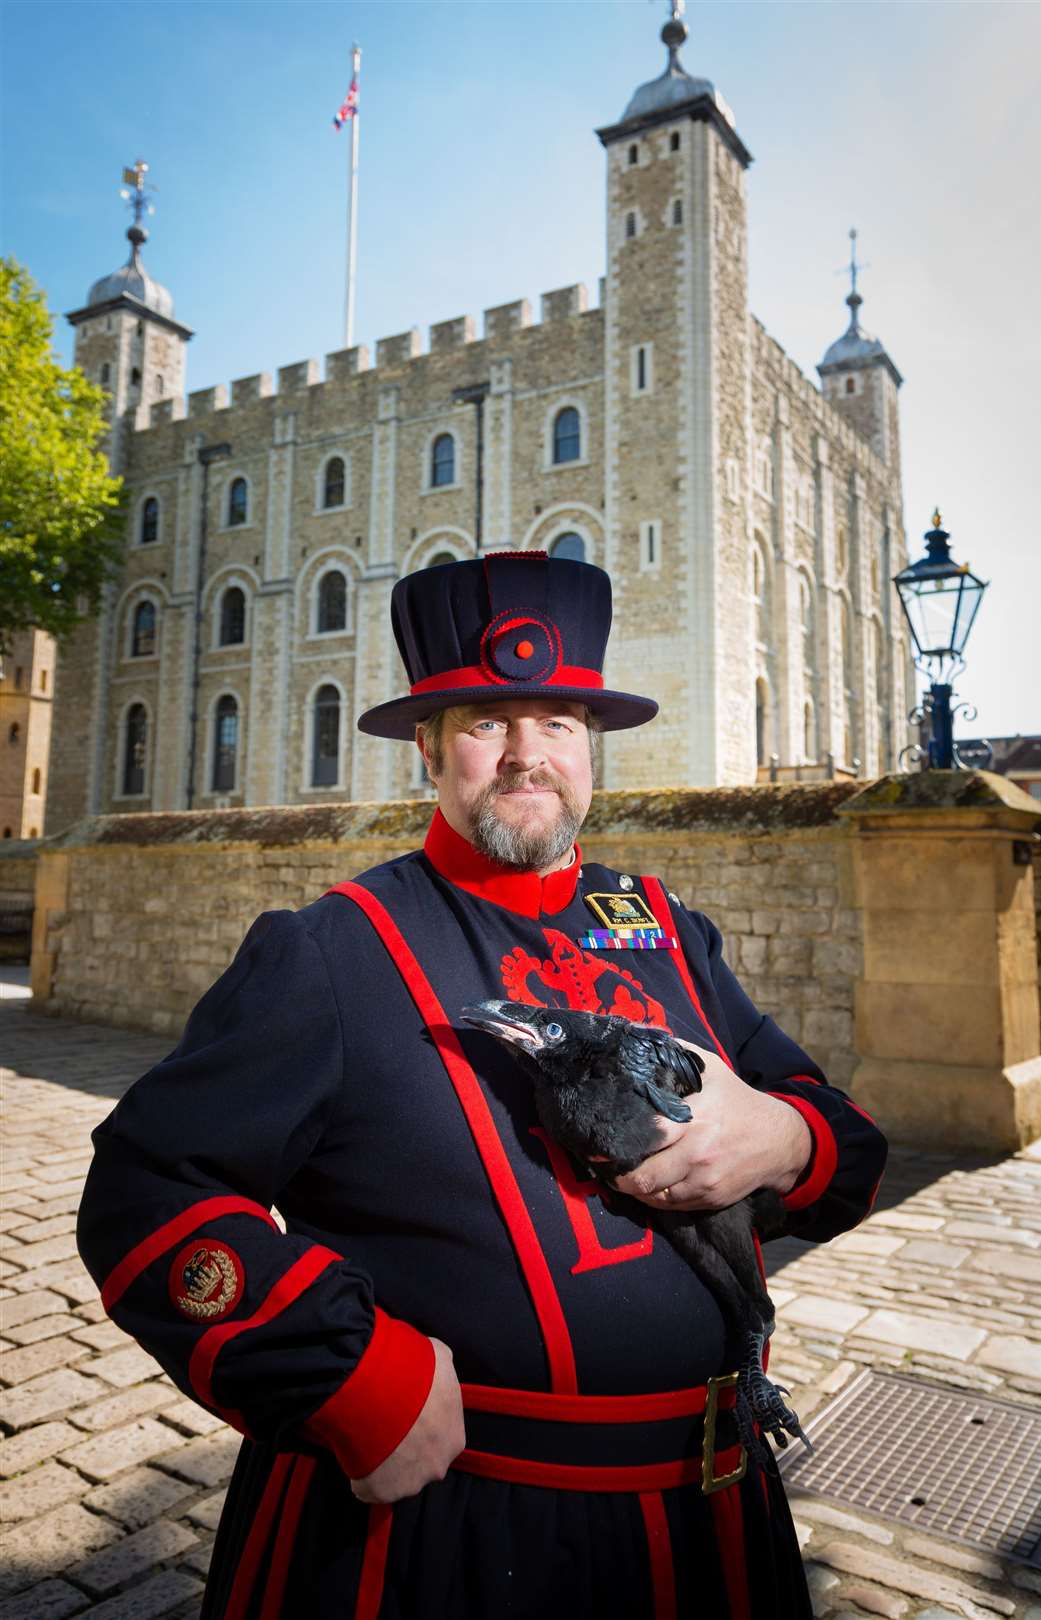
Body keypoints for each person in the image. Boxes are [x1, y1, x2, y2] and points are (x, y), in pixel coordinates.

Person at [77, 551, 887, 1620]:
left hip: (714, 1527)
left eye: (556, 721)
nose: (525, 755)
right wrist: (343, 1375)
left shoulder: (666, 928)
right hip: (446, 1538)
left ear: (589, 747)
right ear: (427, 747)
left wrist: (785, 1137)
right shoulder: (330, 952)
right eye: (483, 722)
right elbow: (147, 1192)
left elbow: (849, 1144)